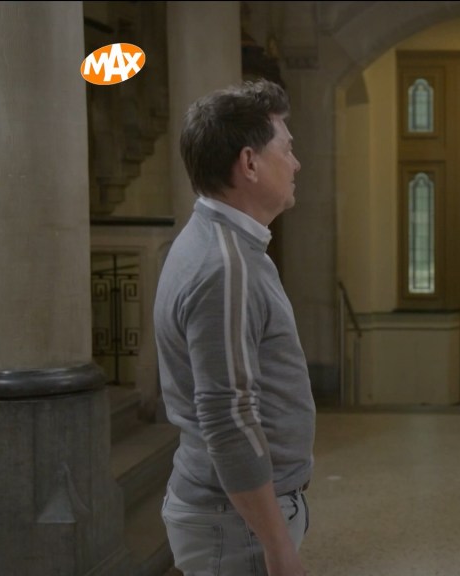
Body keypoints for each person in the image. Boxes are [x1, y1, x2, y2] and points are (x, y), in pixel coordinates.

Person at [154, 78, 315, 576]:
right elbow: (229, 418)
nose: (296, 164)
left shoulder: (224, 243)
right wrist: (277, 545)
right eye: (286, 149)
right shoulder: (224, 266)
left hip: (235, 513)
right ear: (249, 163)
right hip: (236, 521)